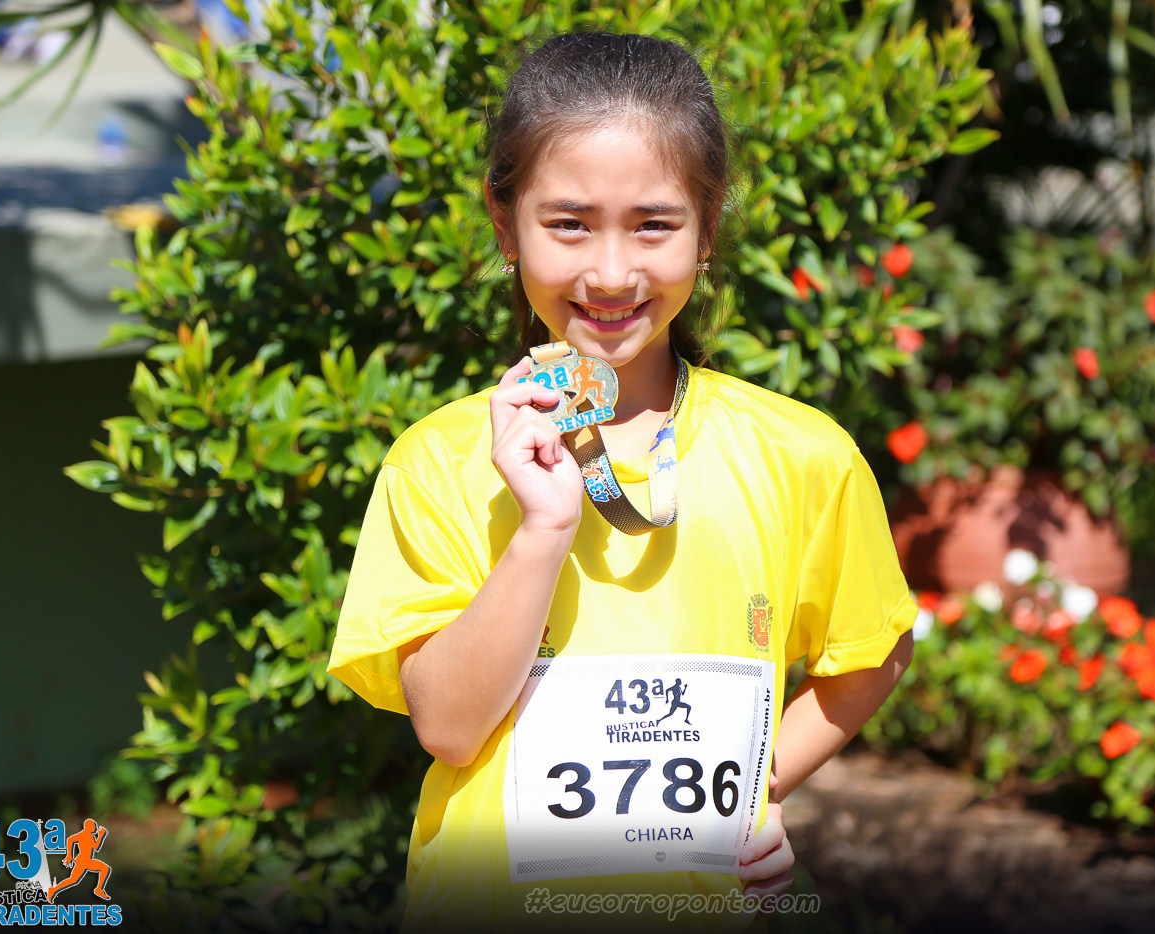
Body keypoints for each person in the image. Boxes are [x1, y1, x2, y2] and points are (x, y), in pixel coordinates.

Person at [327, 32, 917, 932]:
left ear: (707, 227)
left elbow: (873, 650)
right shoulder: (439, 461)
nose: (610, 273)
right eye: (568, 223)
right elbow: (447, 726)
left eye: (653, 224)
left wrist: (745, 792)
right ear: (505, 224)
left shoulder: (801, 454)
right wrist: (540, 531)